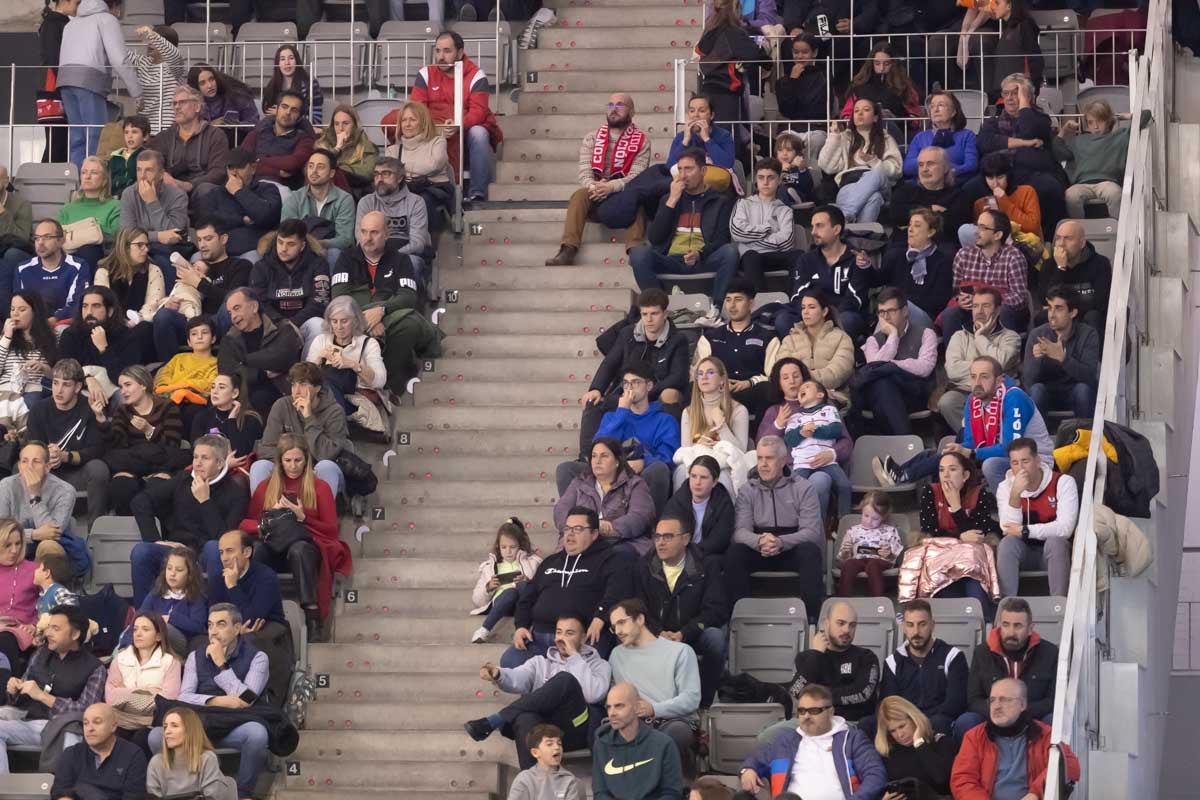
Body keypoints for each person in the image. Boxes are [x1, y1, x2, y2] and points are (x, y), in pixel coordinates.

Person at [148, 603, 272, 800]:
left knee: (257, 734)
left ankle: (242, 794)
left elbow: (248, 699)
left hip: (235, 725)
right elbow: (184, 696)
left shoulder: (258, 658)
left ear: (238, 628)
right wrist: (217, 700)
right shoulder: (194, 657)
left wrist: (221, 665)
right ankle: (186, 788)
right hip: (200, 724)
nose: (213, 632)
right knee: (156, 735)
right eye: (210, 625)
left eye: (221, 624)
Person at [877, 356, 1053, 492]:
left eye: (984, 377)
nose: (977, 383)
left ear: (999, 381)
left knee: (989, 464)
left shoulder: (1014, 397)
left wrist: (971, 452)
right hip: (1000, 454)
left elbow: (1012, 447)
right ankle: (902, 473)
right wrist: (961, 449)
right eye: (973, 377)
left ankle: (1007, 507)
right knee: (951, 455)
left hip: (1033, 460)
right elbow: (971, 441)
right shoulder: (972, 401)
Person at [239, 432, 351, 640]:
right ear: (280, 462)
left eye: (298, 460)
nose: (293, 466)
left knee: (298, 549)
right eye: (288, 460)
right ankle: (253, 611)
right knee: (259, 550)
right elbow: (245, 524)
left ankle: (312, 616)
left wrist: (302, 517)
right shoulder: (266, 487)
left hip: (305, 549)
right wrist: (267, 522)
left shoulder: (320, 487)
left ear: (306, 460)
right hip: (274, 545)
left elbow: (330, 530)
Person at [466, 614, 611, 767]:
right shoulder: (540, 663)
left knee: (565, 680)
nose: (562, 638)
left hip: (576, 728)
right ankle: (532, 784)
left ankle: (497, 719)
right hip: (545, 730)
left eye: (569, 633)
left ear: (583, 638)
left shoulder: (600, 665)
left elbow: (592, 694)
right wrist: (498, 674)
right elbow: (519, 677)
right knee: (524, 718)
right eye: (559, 632)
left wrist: (574, 657)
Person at [129, 433, 248, 605]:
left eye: (205, 458)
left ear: (220, 463)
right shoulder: (182, 480)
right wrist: (155, 540)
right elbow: (140, 501)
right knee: (141, 551)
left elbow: (225, 541)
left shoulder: (235, 492)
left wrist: (205, 502)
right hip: (177, 549)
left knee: (215, 548)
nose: (197, 463)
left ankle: (217, 612)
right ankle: (145, 617)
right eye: (195, 457)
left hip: (207, 553)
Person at [506, 507, 629, 668]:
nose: (570, 534)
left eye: (578, 529)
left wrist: (600, 617)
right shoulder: (550, 561)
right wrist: (521, 626)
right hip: (540, 638)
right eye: (567, 528)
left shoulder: (610, 560)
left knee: (584, 673)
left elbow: (616, 593)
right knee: (509, 661)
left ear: (594, 534)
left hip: (583, 639)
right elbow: (527, 597)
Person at [330, 211, 437, 396]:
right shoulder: (346, 259)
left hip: (388, 318)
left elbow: (409, 297)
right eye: (363, 232)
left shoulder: (401, 260)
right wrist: (368, 319)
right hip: (352, 321)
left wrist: (382, 310)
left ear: (386, 234)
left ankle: (387, 387)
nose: (367, 238)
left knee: (409, 323)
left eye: (374, 232)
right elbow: (339, 299)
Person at [629, 148, 738, 324]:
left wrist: (700, 254)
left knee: (730, 252)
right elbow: (655, 238)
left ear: (702, 171)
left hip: (704, 259)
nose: (683, 175)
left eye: (689, 169)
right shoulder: (668, 199)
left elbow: (721, 239)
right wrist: (672, 201)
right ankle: (659, 309)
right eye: (680, 169)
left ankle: (716, 309)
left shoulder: (720, 201)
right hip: (672, 259)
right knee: (638, 253)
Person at [633, 514, 729, 708]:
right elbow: (637, 607)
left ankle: (704, 703)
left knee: (716, 639)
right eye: (657, 537)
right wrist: (658, 632)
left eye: (667, 537)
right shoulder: (644, 566)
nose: (660, 542)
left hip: (692, 632)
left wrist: (685, 633)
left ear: (685, 539)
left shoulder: (706, 565)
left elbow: (716, 610)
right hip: (655, 633)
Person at [545, 93, 651, 266]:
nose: (614, 110)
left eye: (620, 105)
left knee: (638, 198)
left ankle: (636, 250)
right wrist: (595, 187)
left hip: (624, 193)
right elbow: (584, 172)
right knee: (579, 195)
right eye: (610, 105)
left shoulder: (642, 141)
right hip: (596, 194)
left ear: (632, 112)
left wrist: (611, 187)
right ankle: (568, 249)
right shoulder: (591, 138)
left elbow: (637, 175)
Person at [580, 288, 688, 453]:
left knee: (671, 393)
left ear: (665, 313)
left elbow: (678, 377)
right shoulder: (627, 333)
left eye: (654, 314)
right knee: (592, 401)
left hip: (654, 394)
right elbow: (610, 362)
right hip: (627, 392)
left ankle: (667, 455)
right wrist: (596, 388)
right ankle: (588, 456)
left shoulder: (678, 339)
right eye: (644, 314)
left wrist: (645, 392)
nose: (649, 319)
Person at [727, 437, 825, 617]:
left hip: (791, 547)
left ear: (783, 461)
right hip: (760, 547)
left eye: (769, 458)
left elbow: (812, 533)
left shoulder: (804, 488)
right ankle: (739, 617)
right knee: (735, 553)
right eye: (760, 458)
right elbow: (740, 532)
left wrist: (781, 542)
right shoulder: (747, 490)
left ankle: (812, 618)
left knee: (810, 552)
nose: (763, 464)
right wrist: (759, 541)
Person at [0, 604, 103, 773]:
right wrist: (13, 690)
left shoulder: (94, 667)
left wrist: (43, 696)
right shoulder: (41, 654)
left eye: (55, 628)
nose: (48, 633)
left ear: (75, 634)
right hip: (29, 723)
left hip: (65, 728)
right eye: (48, 627)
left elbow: (87, 711)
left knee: (73, 737)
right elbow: (21, 694)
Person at [739, 683, 887, 798]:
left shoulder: (852, 740)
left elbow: (875, 775)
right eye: (802, 711)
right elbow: (754, 760)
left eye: (814, 711)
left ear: (830, 712)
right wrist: (748, 770)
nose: (806, 716)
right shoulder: (784, 742)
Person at [608, 598, 701, 775]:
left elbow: (691, 698)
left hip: (672, 721)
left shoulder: (680, 651)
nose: (618, 631)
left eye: (622, 622)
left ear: (640, 619)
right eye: (614, 627)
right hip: (635, 722)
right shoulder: (616, 655)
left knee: (675, 733)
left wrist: (653, 709)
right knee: (605, 731)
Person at [897, 450, 1002, 608]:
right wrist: (960, 538)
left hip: (969, 558)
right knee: (940, 583)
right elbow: (930, 532)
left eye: (952, 469)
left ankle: (983, 621)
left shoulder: (979, 494)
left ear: (965, 475)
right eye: (941, 470)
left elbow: (978, 533)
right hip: (940, 557)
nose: (945, 475)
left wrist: (956, 507)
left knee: (973, 581)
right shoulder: (930, 492)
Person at [410, 30, 503, 202]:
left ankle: (477, 194)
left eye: (447, 51)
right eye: (437, 51)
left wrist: (457, 124)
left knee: (479, 133)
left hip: (465, 130)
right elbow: (418, 108)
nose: (440, 56)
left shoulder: (476, 75)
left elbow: (479, 112)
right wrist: (436, 128)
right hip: (434, 128)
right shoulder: (425, 73)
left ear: (460, 53)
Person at [951, 677, 1080, 798]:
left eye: (1004, 699)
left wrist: (1036, 793)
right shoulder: (975, 737)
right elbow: (963, 779)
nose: (996, 706)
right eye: (992, 700)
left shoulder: (1043, 734)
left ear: (1022, 705)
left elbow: (1069, 764)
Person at [973, 73, 1065, 236]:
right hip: (997, 173)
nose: (1009, 98)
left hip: (1032, 174)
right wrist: (1025, 143)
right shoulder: (992, 122)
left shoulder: (1041, 120)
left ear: (1028, 97)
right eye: (1006, 93)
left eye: (1015, 93)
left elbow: (1028, 129)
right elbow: (986, 142)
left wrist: (1024, 104)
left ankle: (1051, 239)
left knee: (1049, 188)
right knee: (969, 189)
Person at [955, 598, 1059, 738]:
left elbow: (1052, 701)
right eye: (1006, 625)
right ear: (999, 625)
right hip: (993, 718)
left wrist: (1018, 711)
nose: (1011, 632)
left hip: (1032, 718)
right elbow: (974, 700)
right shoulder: (982, 653)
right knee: (966, 721)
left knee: (1053, 721)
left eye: (1018, 626)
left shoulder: (1050, 653)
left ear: (1030, 629)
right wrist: (1002, 710)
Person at [55, 0, 141, 168]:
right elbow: (119, 58)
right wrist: (137, 92)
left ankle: (77, 181)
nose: (119, 14)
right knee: (97, 135)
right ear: (115, 5)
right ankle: (96, 178)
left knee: (77, 137)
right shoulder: (106, 19)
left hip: (65, 80)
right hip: (89, 80)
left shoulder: (71, 24)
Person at [26, 359, 110, 529]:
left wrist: (66, 456)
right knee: (20, 468)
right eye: (56, 383)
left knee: (99, 468)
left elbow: (96, 450)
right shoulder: (39, 409)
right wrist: (45, 456)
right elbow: (30, 445)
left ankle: (95, 530)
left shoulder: (89, 408)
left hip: (77, 474)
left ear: (78, 387)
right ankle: (28, 529)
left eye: (66, 385)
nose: (58, 390)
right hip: (45, 474)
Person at [152, 219, 250, 360]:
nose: (202, 245)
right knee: (163, 316)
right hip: (189, 323)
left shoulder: (240, 266)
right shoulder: (192, 268)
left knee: (231, 307)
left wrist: (199, 283)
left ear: (223, 239)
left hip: (218, 322)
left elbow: (234, 301)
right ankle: (170, 368)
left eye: (208, 239)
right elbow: (179, 292)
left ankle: (227, 362)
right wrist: (170, 303)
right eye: (199, 240)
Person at [251, 361, 351, 497]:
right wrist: (290, 466)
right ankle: (264, 515)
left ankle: (321, 514)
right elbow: (266, 448)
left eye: (303, 384)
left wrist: (309, 418)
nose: (297, 391)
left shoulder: (335, 412)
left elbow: (328, 454)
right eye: (293, 385)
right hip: (287, 467)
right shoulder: (282, 406)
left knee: (326, 466)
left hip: (318, 469)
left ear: (317, 388)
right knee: (259, 466)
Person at [99, 365, 188, 515]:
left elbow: (172, 445)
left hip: (161, 466)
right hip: (133, 466)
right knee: (121, 484)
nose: (123, 391)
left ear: (143, 384)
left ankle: (158, 534)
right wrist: (102, 422)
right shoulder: (122, 410)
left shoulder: (167, 407)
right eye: (121, 387)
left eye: (128, 385)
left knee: (161, 481)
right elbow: (116, 445)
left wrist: (149, 431)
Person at [996, 437, 1079, 598]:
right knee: (1007, 543)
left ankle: (1058, 606)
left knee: (1056, 541)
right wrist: (1015, 494)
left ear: (1037, 460)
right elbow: (1008, 528)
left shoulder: (1063, 482)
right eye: (1015, 463)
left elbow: (1065, 528)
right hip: (1024, 551)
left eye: (1025, 461)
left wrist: (1026, 530)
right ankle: (1006, 606)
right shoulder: (1005, 487)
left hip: (1053, 551)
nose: (1020, 468)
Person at [555, 437, 657, 559]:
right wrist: (580, 528)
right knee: (560, 559)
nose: (597, 461)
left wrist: (610, 528)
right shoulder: (579, 483)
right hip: (581, 539)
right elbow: (561, 511)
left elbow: (640, 517)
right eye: (594, 456)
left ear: (617, 461)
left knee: (616, 557)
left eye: (604, 456)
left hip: (623, 542)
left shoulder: (635, 484)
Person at [691, 279, 779, 421]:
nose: (732, 305)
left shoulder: (768, 338)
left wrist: (750, 382)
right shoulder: (710, 337)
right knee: (690, 389)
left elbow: (773, 375)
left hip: (751, 392)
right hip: (718, 392)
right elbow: (698, 373)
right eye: (728, 300)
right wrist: (719, 382)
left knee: (768, 389)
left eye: (738, 299)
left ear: (751, 303)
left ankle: (760, 439)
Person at [878, 600, 969, 737]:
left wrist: (922, 723)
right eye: (910, 625)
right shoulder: (893, 662)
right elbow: (890, 704)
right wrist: (909, 723)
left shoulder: (953, 657)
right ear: (904, 627)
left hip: (940, 722)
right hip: (904, 724)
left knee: (940, 722)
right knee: (869, 724)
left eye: (922, 624)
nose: (916, 632)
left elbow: (955, 703)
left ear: (932, 625)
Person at [854, 287, 937, 435]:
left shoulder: (926, 333)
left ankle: (893, 443)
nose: (886, 317)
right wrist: (893, 335)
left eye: (891, 311)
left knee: (883, 381)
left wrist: (893, 365)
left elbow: (925, 368)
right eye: (881, 312)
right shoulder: (873, 340)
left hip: (913, 392)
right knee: (882, 384)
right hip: (883, 395)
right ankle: (903, 439)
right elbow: (875, 367)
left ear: (905, 311)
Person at [939, 287, 1022, 432]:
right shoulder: (959, 336)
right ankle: (978, 438)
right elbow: (952, 370)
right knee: (947, 402)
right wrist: (987, 373)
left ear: (997, 310)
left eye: (986, 306)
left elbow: (1001, 363)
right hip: (965, 390)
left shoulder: (1011, 337)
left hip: (1000, 393)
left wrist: (979, 337)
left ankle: (992, 439)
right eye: (975, 306)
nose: (979, 311)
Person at [778, 205, 869, 339]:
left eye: (819, 226)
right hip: (811, 315)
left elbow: (854, 300)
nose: (813, 232)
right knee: (783, 319)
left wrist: (826, 319)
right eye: (813, 226)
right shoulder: (806, 260)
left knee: (847, 320)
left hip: (841, 316)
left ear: (836, 229)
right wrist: (814, 316)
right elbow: (798, 296)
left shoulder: (856, 259)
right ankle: (805, 353)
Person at [0, 442, 88, 576]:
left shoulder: (65, 491)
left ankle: (44, 594)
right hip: (11, 546)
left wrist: (35, 495)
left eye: (36, 461)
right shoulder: (6, 486)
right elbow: (1, 532)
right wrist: (34, 534)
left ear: (47, 467)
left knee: (48, 546)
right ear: (19, 466)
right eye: (24, 461)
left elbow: (52, 534)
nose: (29, 466)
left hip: (47, 549)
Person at [59, 287, 153, 407]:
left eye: (96, 306)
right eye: (85, 306)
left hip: (114, 389)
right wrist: (87, 380)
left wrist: (104, 349)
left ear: (110, 311)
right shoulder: (70, 335)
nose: (89, 312)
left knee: (126, 397)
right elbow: (64, 372)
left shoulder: (126, 336)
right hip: (80, 388)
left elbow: (125, 379)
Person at [789, 600, 880, 722]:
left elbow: (863, 693)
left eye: (852, 625)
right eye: (841, 623)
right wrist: (816, 655)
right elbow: (797, 691)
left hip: (851, 724)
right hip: (810, 723)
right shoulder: (806, 658)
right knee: (769, 736)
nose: (847, 630)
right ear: (826, 623)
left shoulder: (866, 657)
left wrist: (817, 697)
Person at [218, 287, 303, 415]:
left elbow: (283, 358)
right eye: (230, 313)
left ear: (254, 307)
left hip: (282, 390)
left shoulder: (281, 328)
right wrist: (261, 373)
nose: (233, 317)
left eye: (237, 308)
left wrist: (245, 361)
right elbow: (227, 373)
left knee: (261, 398)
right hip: (243, 394)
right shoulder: (229, 339)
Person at [592, 683, 684, 800]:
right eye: (609, 707)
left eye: (619, 706)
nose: (612, 713)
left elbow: (672, 793)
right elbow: (600, 793)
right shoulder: (601, 745)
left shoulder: (664, 744)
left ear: (637, 708)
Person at [945, 209, 1030, 335]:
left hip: (1001, 311)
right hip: (972, 311)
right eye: (977, 226)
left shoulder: (1013, 257)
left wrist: (988, 302)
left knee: (1005, 312)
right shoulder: (963, 255)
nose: (976, 232)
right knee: (951, 314)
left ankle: (1001, 353)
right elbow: (956, 292)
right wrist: (960, 299)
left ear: (998, 235)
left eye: (983, 228)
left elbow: (1020, 298)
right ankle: (954, 354)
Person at [249, 219, 331, 350]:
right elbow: (259, 302)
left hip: (304, 322)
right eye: (280, 242)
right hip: (272, 324)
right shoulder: (261, 267)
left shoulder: (318, 264)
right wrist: (283, 324)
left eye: (291, 244)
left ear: (302, 245)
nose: (283, 249)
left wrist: (294, 323)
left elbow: (319, 301)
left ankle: (307, 368)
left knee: (319, 325)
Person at [818, 99, 902, 224]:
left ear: (875, 118)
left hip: (879, 182)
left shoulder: (886, 139)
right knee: (875, 198)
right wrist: (834, 137)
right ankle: (861, 236)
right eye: (856, 110)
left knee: (876, 173)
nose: (860, 113)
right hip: (849, 185)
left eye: (866, 110)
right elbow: (826, 167)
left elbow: (897, 170)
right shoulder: (844, 138)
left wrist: (873, 161)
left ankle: (845, 214)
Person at [1022, 287, 1101, 420]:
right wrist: (1037, 359)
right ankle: (1035, 439)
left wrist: (1063, 359)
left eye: (1058, 309)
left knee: (1083, 390)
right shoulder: (1037, 334)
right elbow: (1028, 381)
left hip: (1074, 391)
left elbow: (1089, 376)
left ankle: (1086, 437)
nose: (1052, 314)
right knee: (1036, 390)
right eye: (1050, 308)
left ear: (1073, 312)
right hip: (1047, 392)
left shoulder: (1088, 334)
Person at [305, 295, 388, 422]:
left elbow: (380, 381)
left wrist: (352, 365)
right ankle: (336, 426)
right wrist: (319, 360)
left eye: (344, 321)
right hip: (325, 398)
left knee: (334, 373)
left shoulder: (368, 343)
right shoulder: (321, 340)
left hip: (355, 401)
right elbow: (306, 379)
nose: (339, 327)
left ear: (355, 321)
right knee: (327, 375)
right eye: (334, 321)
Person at [768, 291, 856, 406]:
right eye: (803, 308)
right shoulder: (790, 340)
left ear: (824, 311)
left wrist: (804, 380)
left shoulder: (841, 338)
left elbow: (837, 374)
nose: (806, 312)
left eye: (812, 307)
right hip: (794, 396)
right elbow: (781, 370)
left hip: (829, 395)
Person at [676, 356, 750, 490]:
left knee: (722, 477)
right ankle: (681, 510)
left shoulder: (739, 410)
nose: (704, 377)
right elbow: (685, 448)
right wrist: (698, 441)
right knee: (681, 471)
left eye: (710, 373)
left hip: (724, 465)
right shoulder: (688, 412)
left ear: (722, 380)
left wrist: (722, 426)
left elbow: (740, 451)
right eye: (700, 373)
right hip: (697, 462)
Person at [49, 703, 148, 800]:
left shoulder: (133, 755)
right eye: (86, 723)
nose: (90, 728)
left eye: (97, 722)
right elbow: (59, 791)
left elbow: (134, 796)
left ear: (113, 726)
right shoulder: (71, 753)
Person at [869, 207, 954, 321]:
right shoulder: (896, 254)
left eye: (917, 225)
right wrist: (865, 266)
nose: (910, 229)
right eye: (910, 225)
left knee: (893, 311)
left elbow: (939, 301)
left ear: (931, 232)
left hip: (924, 316)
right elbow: (876, 281)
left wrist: (900, 303)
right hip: (895, 312)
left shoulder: (943, 261)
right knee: (888, 312)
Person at [147, 85, 230, 199]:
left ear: (197, 107)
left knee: (205, 190)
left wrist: (189, 185)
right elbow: (151, 160)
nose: (176, 107)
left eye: (182, 102)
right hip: (171, 188)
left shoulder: (215, 135)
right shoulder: (165, 136)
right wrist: (163, 175)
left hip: (201, 190)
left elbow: (218, 172)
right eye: (174, 103)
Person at [120, 546, 207, 654]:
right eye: (169, 568)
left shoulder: (196, 597)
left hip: (179, 643)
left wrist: (171, 619)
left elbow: (199, 627)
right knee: (137, 627)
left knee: (161, 628)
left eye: (179, 570)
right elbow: (139, 618)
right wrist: (125, 645)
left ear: (190, 574)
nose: (172, 574)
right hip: (152, 638)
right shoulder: (156, 594)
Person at [354, 157, 431, 279]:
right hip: (372, 254)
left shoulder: (416, 202)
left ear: (400, 178)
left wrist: (389, 258)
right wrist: (377, 258)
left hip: (406, 255)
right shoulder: (366, 202)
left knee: (412, 263)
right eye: (376, 174)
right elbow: (360, 238)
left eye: (386, 174)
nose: (379, 179)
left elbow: (418, 243)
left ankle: (406, 297)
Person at [198, 149, 283, 259]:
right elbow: (207, 220)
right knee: (196, 259)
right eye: (230, 168)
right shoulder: (215, 194)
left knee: (252, 258)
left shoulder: (268, 189)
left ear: (253, 168)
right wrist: (241, 220)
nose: (234, 173)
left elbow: (265, 216)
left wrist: (239, 192)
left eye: (239, 167)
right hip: (218, 252)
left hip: (252, 250)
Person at [104, 613, 182, 731]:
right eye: (135, 629)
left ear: (158, 636)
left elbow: (167, 701)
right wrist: (148, 691)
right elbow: (110, 697)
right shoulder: (119, 659)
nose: (138, 634)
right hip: (120, 723)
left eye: (145, 629)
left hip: (151, 725)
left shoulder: (171, 662)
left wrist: (124, 692)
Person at [470, 518, 542, 644]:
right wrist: (489, 587)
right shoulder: (490, 567)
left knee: (522, 585)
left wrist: (529, 581)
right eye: (504, 547)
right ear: (498, 546)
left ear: (520, 545)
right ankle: (484, 629)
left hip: (524, 604)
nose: (508, 551)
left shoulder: (533, 562)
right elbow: (477, 600)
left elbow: (543, 589)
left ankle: (522, 631)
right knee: (511, 593)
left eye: (512, 547)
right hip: (502, 604)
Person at [281, 150, 356, 269]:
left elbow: (345, 239)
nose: (314, 171)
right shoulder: (294, 198)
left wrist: (321, 244)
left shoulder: (344, 199)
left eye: (320, 167)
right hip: (300, 249)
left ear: (332, 173)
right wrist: (310, 245)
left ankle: (333, 287)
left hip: (329, 251)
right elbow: (287, 233)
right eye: (310, 166)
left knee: (334, 253)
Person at [383, 101, 452, 228]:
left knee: (420, 202)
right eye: (404, 120)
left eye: (412, 120)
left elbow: (433, 165)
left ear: (423, 122)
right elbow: (387, 173)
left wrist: (399, 166)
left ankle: (423, 244)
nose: (407, 124)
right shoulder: (392, 150)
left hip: (433, 190)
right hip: (403, 190)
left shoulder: (437, 142)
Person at [731, 159, 798, 291]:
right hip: (750, 258)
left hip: (775, 256)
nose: (765, 182)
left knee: (798, 255)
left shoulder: (785, 210)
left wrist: (751, 240)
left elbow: (787, 242)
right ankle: (759, 304)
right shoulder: (743, 204)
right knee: (751, 256)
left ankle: (796, 300)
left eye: (771, 178)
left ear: (779, 180)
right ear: (756, 180)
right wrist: (768, 229)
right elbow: (737, 233)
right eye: (761, 178)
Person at [874, 696, 957, 800]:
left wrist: (919, 743)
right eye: (892, 731)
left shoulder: (941, 743)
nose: (899, 735)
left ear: (914, 718)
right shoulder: (889, 755)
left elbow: (941, 779)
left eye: (902, 726)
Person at [119, 150, 190, 272]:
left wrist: (152, 202)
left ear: (161, 174)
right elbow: (126, 234)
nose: (142, 176)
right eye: (139, 170)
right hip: (137, 248)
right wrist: (158, 236)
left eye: (148, 170)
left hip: (168, 251)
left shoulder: (178, 195)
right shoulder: (129, 194)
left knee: (162, 259)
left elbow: (176, 235)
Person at [1060, 99, 1132, 219]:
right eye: (1090, 122)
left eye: (1100, 121)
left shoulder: (1119, 136)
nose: (1096, 126)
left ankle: (1119, 232)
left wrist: (1128, 116)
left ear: (1108, 121)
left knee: (1115, 194)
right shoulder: (1079, 140)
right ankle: (1078, 231)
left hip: (1108, 183)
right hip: (1082, 184)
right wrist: (1064, 130)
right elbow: (1058, 151)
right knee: (1070, 195)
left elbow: (1146, 117)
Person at [146, 706, 238, 800]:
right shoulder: (156, 762)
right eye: (165, 727)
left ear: (190, 730)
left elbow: (211, 797)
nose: (167, 732)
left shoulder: (207, 758)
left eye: (174, 726)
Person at [959, 152, 1041, 253]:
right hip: (991, 250)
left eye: (1000, 177)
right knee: (965, 230)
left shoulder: (1027, 191)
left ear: (1008, 176)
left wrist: (1004, 202)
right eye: (990, 178)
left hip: (1022, 245)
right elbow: (979, 237)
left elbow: (1033, 227)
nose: (995, 183)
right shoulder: (980, 203)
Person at [1038, 220, 1112, 331]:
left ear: (1082, 243)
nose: (1061, 244)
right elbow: (1045, 300)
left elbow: (1101, 304)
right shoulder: (1049, 265)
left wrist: (1067, 310)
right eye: (1058, 238)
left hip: (1086, 321)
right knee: (1042, 318)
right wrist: (1061, 269)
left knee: (1094, 316)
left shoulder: (1100, 264)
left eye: (1068, 238)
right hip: (1061, 317)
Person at [240, 90, 317, 192]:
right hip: (250, 187)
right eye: (284, 107)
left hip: (282, 191)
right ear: (277, 109)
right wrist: (276, 171)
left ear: (299, 117)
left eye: (294, 110)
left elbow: (291, 164)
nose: (288, 112)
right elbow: (241, 162)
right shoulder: (257, 133)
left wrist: (259, 161)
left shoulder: (304, 140)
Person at [887, 147, 965, 247]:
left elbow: (951, 226)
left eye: (930, 164)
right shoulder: (904, 190)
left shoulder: (958, 195)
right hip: (902, 249)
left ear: (945, 168)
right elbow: (897, 215)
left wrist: (912, 218)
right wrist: (931, 208)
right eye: (921, 165)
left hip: (940, 251)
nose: (924, 169)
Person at [663, 455, 735, 560]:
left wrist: (693, 553)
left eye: (703, 477)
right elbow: (667, 528)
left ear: (714, 482)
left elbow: (720, 540)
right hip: (681, 552)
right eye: (693, 476)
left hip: (709, 555)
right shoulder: (679, 499)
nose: (697, 482)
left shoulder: (723, 502)